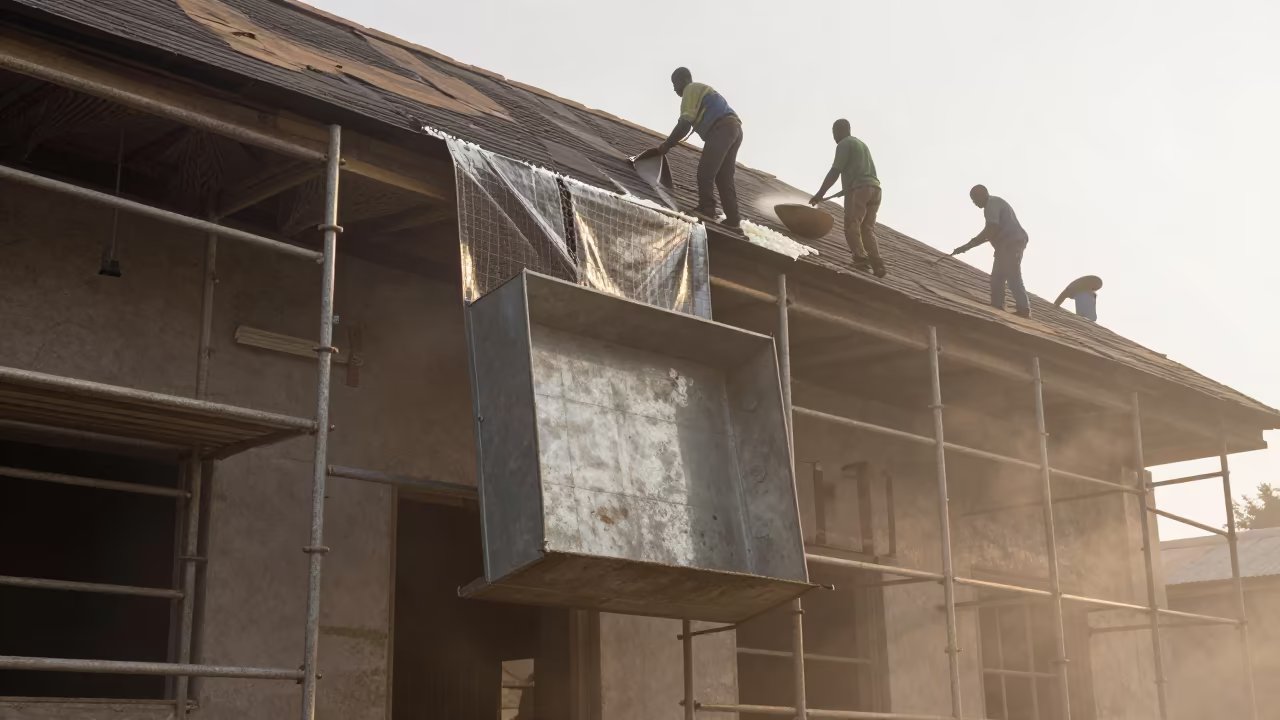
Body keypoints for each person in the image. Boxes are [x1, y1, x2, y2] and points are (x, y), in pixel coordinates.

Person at [639, 67, 742, 229]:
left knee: (705, 172)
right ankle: (734, 220)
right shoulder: (701, 91)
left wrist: (667, 145)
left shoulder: (690, 90)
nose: (674, 89)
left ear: (684, 80)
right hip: (734, 129)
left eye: (675, 83)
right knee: (723, 178)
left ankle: (707, 209)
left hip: (722, 128)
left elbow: (684, 124)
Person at [809, 119, 885, 277]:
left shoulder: (843, 144)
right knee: (867, 228)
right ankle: (877, 263)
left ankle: (860, 260)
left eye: (834, 133)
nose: (834, 137)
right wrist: (847, 188)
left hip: (860, 189)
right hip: (875, 189)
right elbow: (859, 170)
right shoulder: (861, 145)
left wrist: (819, 195)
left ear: (839, 130)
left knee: (852, 224)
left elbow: (835, 171)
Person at [949, 185, 1031, 318]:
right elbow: (990, 233)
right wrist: (969, 245)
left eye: (975, 199)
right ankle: (997, 304)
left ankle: (1023, 308)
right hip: (1004, 245)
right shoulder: (993, 204)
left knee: (1012, 274)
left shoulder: (992, 204)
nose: (974, 203)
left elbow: (991, 227)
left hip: (1011, 243)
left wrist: (972, 242)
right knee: (997, 277)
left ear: (983, 194)